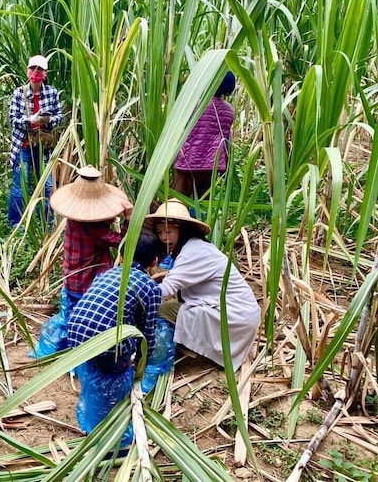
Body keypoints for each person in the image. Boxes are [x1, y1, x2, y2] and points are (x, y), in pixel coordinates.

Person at [67, 231, 168, 441]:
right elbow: (146, 334)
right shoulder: (150, 288)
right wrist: (141, 365)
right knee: (113, 378)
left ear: (121, 255)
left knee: (95, 371)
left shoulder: (105, 274)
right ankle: (110, 432)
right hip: (106, 344)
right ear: (155, 261)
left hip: (75, 334)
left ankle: (90, 415)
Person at [30, 166, 132, 357]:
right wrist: (128, 219)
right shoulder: (97, 230)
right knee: (84, 323)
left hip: (72, 280)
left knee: (69, 317)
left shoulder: (73, 220)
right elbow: (124, 243)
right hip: (88, 286)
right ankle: (79, 357)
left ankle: (54, 350)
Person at [146, 199, 260, 371]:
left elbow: (166, 290)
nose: (163, 238)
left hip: (234, 316)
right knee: (170, 307)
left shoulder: (193, 252)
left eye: (168, 231)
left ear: (181, 229)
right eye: (160, 232)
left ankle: (160, 358)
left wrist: (133, 293)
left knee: (160, 311)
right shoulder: (196, 246)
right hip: (240, 312)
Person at [7, 54, 64, 226]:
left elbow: (60, 116)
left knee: (46, 186)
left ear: (45, 74)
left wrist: (48, 120)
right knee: (20, 186)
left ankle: (46, 221)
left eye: (40, 69)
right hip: (23, 146)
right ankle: (16, 223)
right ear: (27, 71)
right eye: (33, 68)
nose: (36, 72)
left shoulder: (51, 93)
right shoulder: (19, 94)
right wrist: (30, 120)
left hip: (43, 148)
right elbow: (12, 120)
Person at [173, 71, 236, 200]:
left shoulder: (195, 104)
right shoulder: (230, 110)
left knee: (179, 202)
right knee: (203, 203)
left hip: (189, 161)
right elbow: (226, 139)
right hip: (212, 165)